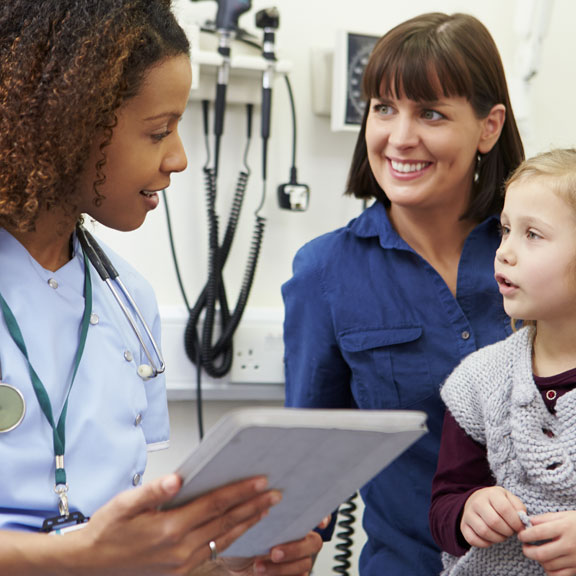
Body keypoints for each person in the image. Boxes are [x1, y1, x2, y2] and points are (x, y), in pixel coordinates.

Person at [0, 1, 322, 575]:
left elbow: (126, 552)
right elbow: (99, 555)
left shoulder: (128, 299)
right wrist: (76, 558)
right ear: (65, 127)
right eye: (158, 131)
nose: (178, 158)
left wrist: (228, 563)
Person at [282, 12, 524, 576]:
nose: (400, 137)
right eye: (384, 108)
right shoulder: (325, 272)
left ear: (488, 126)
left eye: (431, 113)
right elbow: (312, 461)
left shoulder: (545, 251)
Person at [430, 148, 576, 576]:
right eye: (506, 229)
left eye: (533, 234)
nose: (505, 252)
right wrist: (469, 511)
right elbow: (445, 503)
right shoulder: (480, 380)